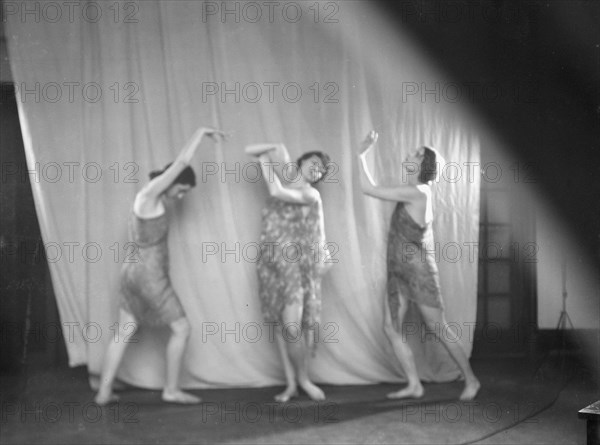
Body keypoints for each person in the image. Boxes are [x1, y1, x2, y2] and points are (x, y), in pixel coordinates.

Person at [94, 126, 225, 405]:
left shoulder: (149, 198)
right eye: (181, 190)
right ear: (173, 180)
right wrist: (200, 133)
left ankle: (104, 393)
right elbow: (181, 163)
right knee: (181, 328)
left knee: (125, 329)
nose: (180, 197)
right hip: (149, 276)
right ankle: (171, 389)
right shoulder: (151, 194)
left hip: (132, 271)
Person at [357, 130, 480, 401]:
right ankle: (414, 385)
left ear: (423, 163)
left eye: (415, 153)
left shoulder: (418, 192)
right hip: (399, 273)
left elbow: (369, 189)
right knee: (390, 327)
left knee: (438, 327)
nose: (408, 154)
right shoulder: (411, 192)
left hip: (419, 273)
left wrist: (361, 154)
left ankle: (471, 380)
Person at [246, 143, 333, 402]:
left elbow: (275, 189)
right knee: (280, 326)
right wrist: (272, 148)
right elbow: (250, 148)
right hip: (272, 263)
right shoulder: (287, 188)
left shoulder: (310, 194)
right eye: (314, 163)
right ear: (301, 162)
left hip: (296, 266)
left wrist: (264, 159)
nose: (317, 170)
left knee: (293, 328)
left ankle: (304, 380)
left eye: (322, 170)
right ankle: (291, 384)